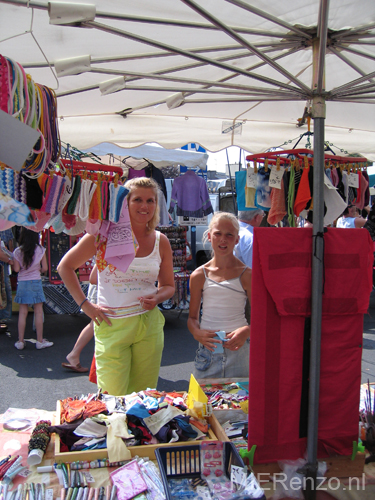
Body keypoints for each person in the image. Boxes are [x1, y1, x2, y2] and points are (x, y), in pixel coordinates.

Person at [57, 177, 175, 396]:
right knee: (112, 399)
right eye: (137, 199)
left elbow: (168, 286)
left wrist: (157, 298)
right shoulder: (101, 236)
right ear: (124, 204)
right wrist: (86, 306)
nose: (145, 206)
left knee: (144, 398)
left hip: (149, 326)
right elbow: (65, 267)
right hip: (112, 324)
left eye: (151, 201)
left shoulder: (161, 240)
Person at [188, 212, 252, 379]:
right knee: (202, 402)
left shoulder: (247, 275)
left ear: (237, 239)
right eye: (218, 233)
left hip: (240, 350)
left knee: (240, 402)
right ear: (210, 236)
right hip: (208, 350)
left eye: (229, 235)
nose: (223, 239)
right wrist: (196, 332)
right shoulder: (198, 275)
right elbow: (192, 318)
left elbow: (261, 316)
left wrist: (247, 330)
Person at [12, 228, 53, 350]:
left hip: (22, 283)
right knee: (38, 311)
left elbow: (16, 270)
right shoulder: (40, 250)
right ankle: (40, 341)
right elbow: (45, 268)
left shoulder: (17, 251)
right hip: (36, 281)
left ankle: (20, 341)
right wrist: (37, 270)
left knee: (22, 312)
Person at [62, 265, 98, 373]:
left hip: (102, 288)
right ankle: (74, 354)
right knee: (96, 322)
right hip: (102, 289)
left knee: (96, 323)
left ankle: (74, 354)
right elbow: (93, 277)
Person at [0, 229, 14, 327]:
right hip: (3, 263)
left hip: (3, 263)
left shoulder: (7, 225)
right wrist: (10, 260)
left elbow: (10, 243)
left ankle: (3, 317)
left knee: (4, 291)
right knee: (4, 291)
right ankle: (3, 317)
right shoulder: (6, 225)